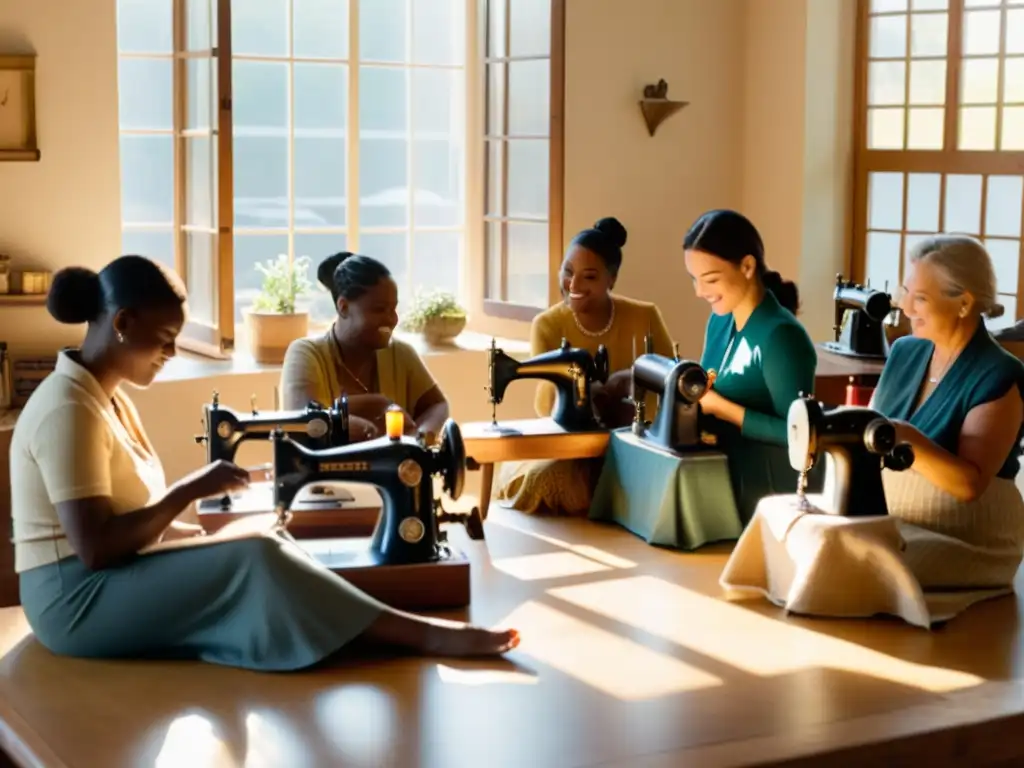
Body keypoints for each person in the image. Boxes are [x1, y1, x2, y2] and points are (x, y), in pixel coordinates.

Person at [10, 255, 518, 670]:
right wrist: (191, 491)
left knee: (264, 542)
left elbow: (129, 527)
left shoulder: (106, 397)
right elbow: (97, 548)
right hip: (74, 603)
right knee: (254, 557)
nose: (170, 352)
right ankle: (423, 636)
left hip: (101, 581)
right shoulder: (70, 408)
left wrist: (211, 536)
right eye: (166, 340)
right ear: (122, 323)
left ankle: (385, 633)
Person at [871, 234, 1024, 587]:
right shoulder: (905, 351)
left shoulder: (998, 374)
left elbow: (969, 484)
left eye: (920, 298)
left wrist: (905, 438)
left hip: (968, 536)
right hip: (898, 518)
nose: (906, 308)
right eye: (905, 292)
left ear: (964, 303)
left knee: (871, 567)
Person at [495, 217, 674, 515]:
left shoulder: (644, 317)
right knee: (551, 480)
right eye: (567, 271)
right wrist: (589, 394)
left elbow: (670, 379)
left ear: (611, 279)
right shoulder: (548, 325)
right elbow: (547, 405)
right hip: (572, 447)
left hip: (635, 443)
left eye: (589, 277)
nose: (573, 285)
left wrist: (632, 380)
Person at [683, 209, 817, 523]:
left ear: (747, 266)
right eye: (695, 280)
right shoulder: (720, 321)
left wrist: (722, 408)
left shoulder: (781, 337)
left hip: (766, 492)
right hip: (720, 472)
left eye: (711, 279)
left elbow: (801, 435)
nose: (700, 292)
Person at [280, 252, 450, 444]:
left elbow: (436, 404)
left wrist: (419, 439)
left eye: (393, 309)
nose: (392, 319)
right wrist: (380, 404)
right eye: (379, 309)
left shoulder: (400, 353)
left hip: (391, 473)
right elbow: (306, 420)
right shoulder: (306, 353)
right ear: (343, 307)